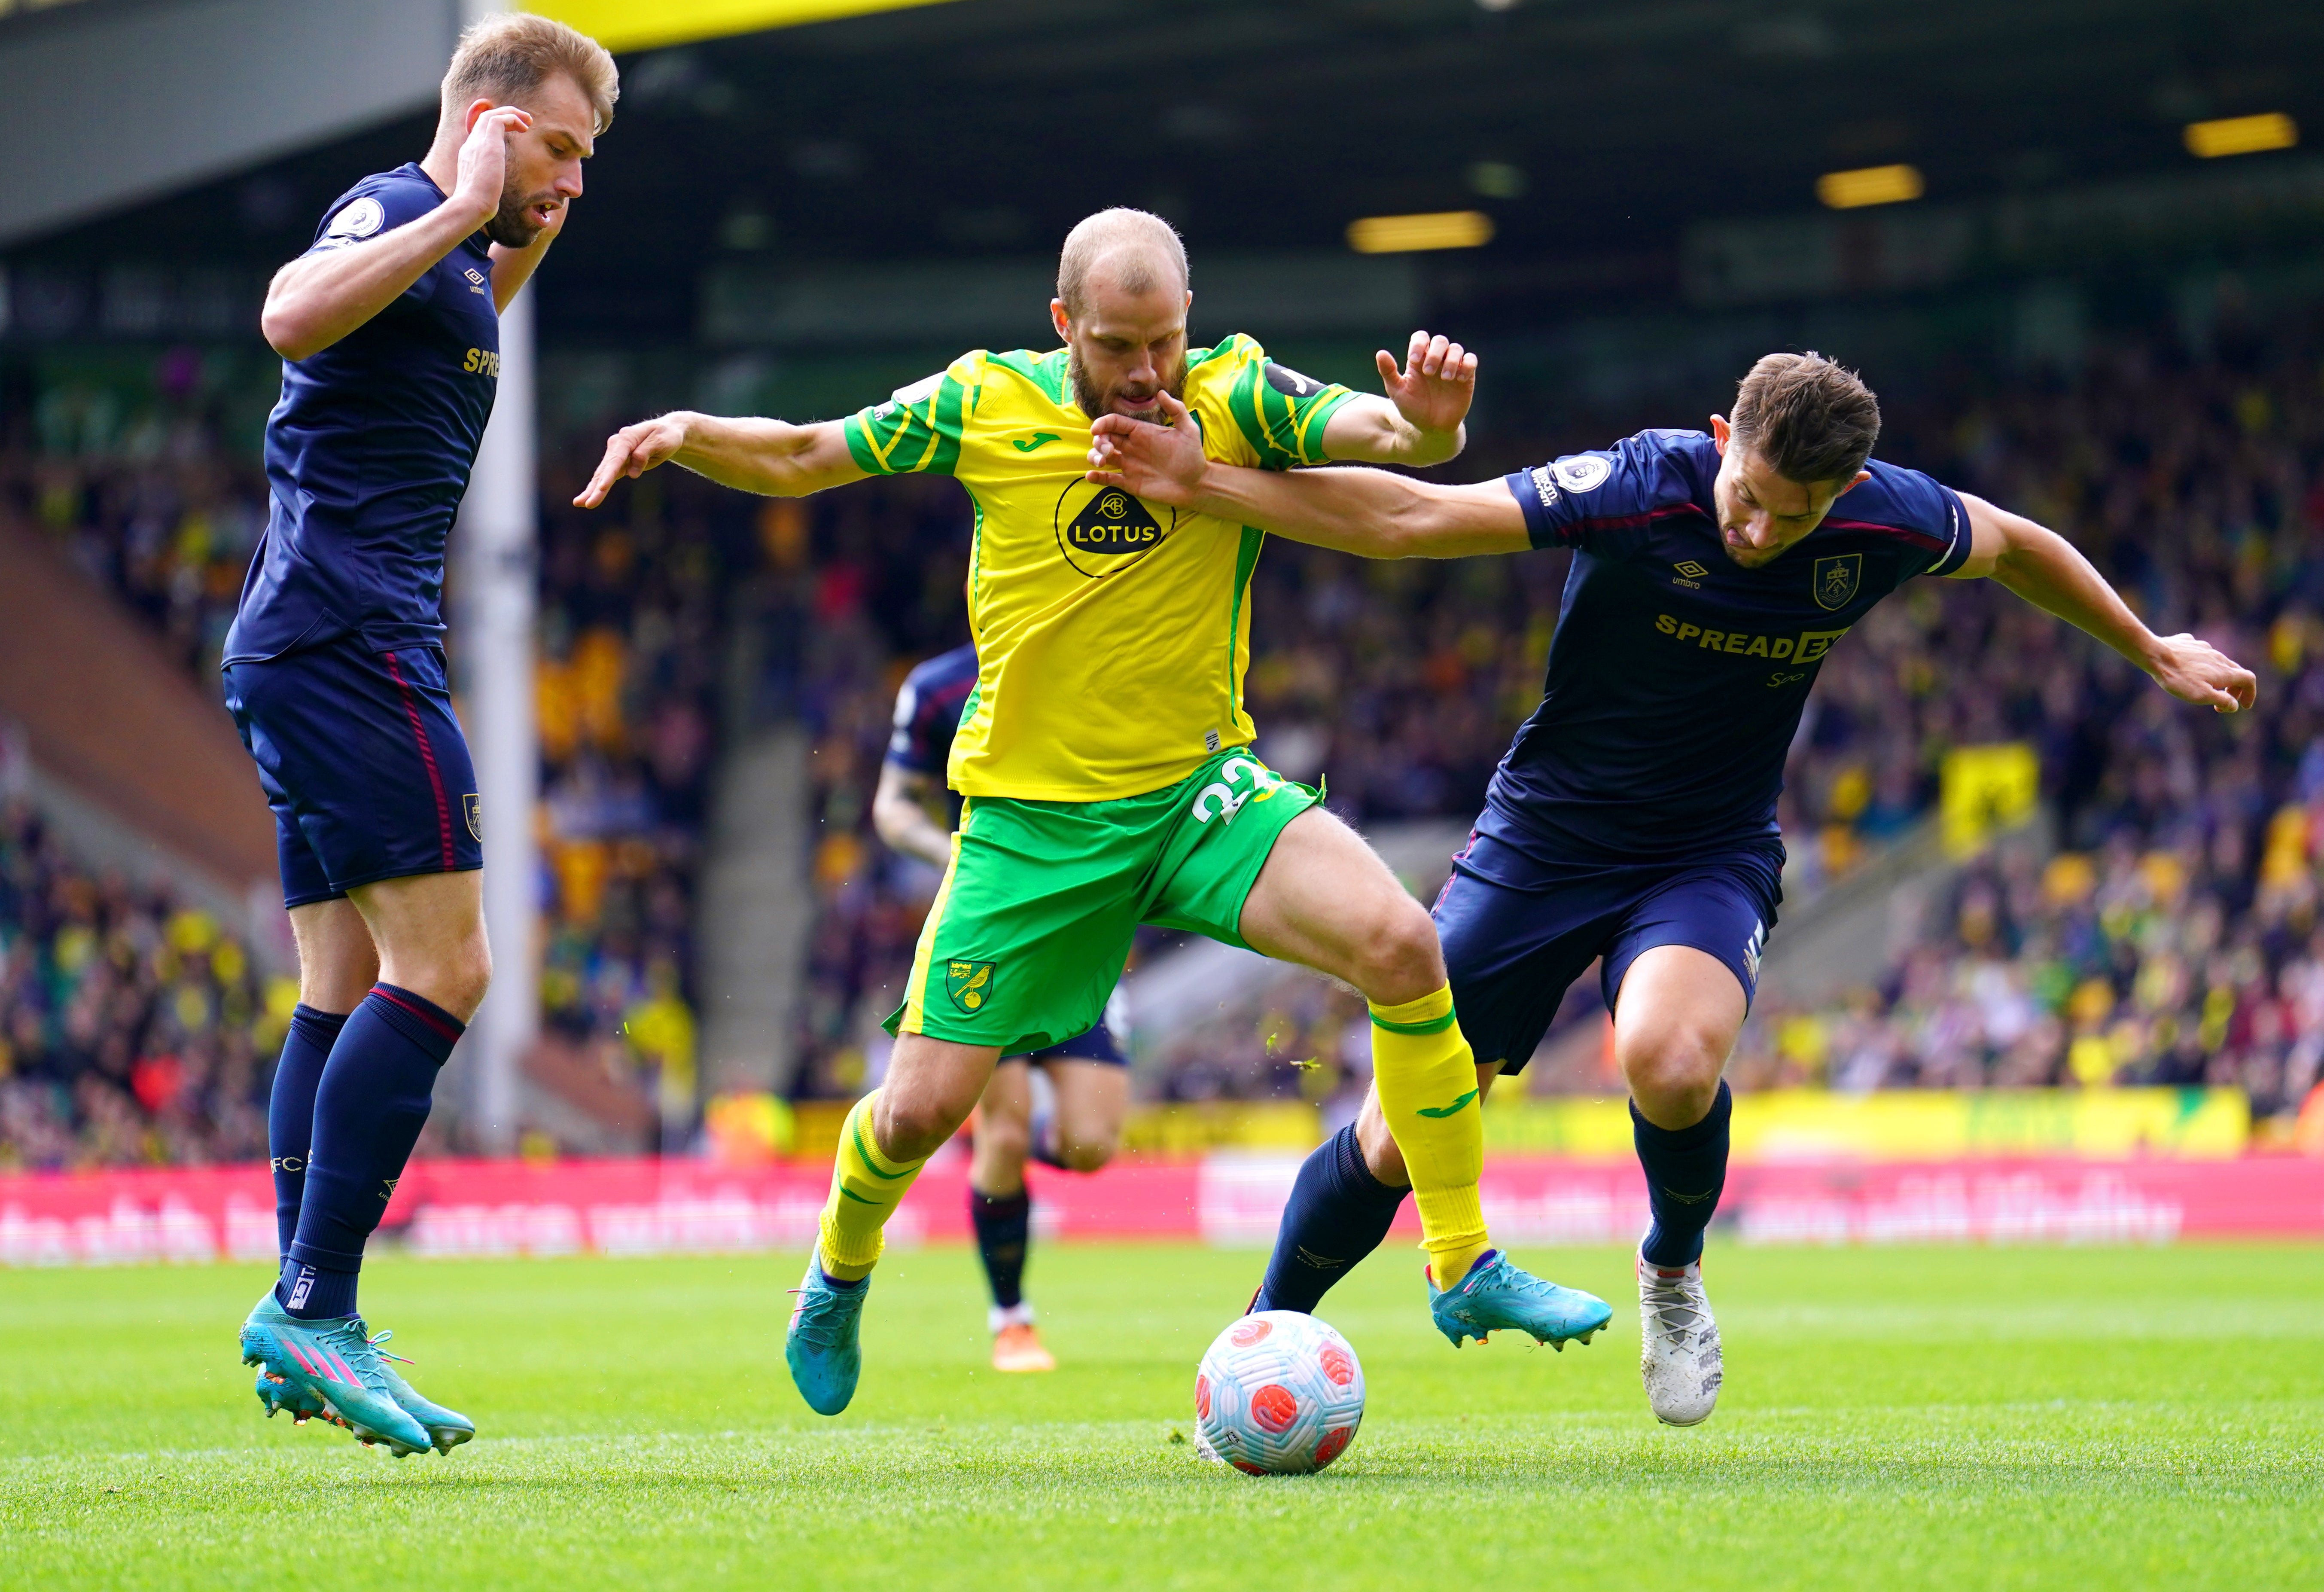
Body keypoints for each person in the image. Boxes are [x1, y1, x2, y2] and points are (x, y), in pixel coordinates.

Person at [1084, 350, 2257, 1427]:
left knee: (1670, 1060)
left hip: (1707, 850)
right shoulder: (1637, 483)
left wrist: (2147, 646)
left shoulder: (1884, 519)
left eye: (1791, 517)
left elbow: (2019, 544)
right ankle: (1258, 1334)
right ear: (1718, 436)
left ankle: (1673, 1267)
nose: (1754, 530)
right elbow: (1408, 519)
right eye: (1744, 495)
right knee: (1395, 1142)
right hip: (1540, 842)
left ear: (1840, 496)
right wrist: (1206, 486)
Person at [578, 207, 1612, 1418]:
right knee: (916, 1114)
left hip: (1197, 795)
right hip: (1029, 828)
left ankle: (1460, 1260)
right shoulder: (982, 403)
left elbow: (1378, 432)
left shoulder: (1232, 390)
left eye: (1163, 341)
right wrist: (692, 433)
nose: (1143, 373)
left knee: (1401, 945)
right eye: (1117, 345)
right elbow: (809, 453)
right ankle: (837, 1271)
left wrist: (1427, 426)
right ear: (1063, 324)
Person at [225, 14, 616, 1458]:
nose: (575, 180)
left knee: (335, 972)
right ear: (493, 121)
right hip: (352, 644)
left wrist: (518, 216)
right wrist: (466, 192)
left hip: (299, 639)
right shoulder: (403, 210)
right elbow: (287, 312)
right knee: (449, 965)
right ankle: (318, 1307)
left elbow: (483, 285)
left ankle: (301, 1306)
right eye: (560, 148)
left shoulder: (456, 262)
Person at [873, 642, 1131, 1373]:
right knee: (1007, 1130)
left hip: (1077, 931)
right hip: (989, 937)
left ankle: (996, 1161)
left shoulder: (1086, 658)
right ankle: (1012, 1319)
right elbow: (892, 806)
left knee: (1091, 1144)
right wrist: (949, 849)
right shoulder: (935, 686)